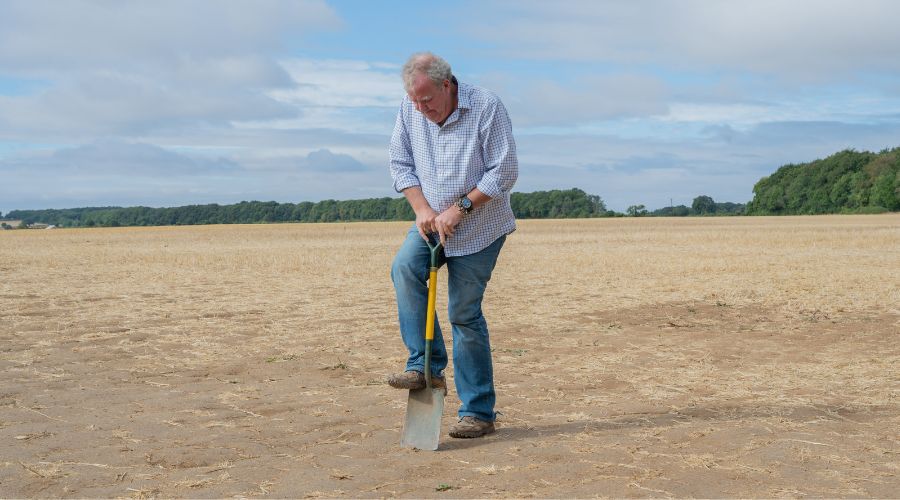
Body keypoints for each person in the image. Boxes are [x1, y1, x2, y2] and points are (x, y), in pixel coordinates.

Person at [386, 52, 518, 439]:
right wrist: (423, 208)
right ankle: (425, 365)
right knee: (405, 269)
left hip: (480, 228)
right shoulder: (410, 109)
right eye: (414, 100)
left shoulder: (486, 106)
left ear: (448, 85)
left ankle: (478, 412)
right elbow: (400, 163)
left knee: (463, 313)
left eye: (426, 99)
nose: (420, 108)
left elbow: (504, 171)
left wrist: (460, 208)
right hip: (430, 223)